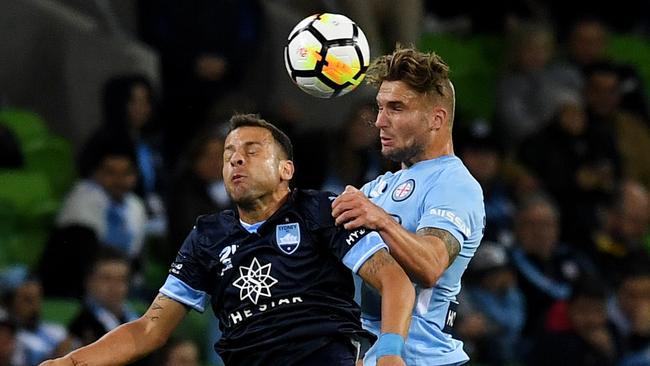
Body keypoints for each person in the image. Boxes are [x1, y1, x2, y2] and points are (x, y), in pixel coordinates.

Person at [39, 114, 415, 366]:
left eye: (252, 152)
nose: (236, 161)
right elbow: (151, 328)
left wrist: (391, 348)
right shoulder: (207, 237)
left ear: (287, 169)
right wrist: (72, 362)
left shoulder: (322, 210)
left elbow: (393, 280)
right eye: (229, 155)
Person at [331, 46, 486, 365]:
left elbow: (431, 265)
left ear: (436, 118)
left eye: (396, 108)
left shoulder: (455, 184)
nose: (379, 121)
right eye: (380, 108)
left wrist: (381, 221)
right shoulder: (377, 188)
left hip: (421, 359)